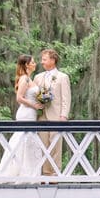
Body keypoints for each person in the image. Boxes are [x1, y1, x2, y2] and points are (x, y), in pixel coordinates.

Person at [0, 55, 44, 181]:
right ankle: (18, 172)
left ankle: (29, 172)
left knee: (30, 142)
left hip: (31, 113)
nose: (35, 63)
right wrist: (34, 105)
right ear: (26, 65)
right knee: (22, 140)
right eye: (32, 62)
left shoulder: (30, 79)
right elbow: (19, 98)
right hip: (26, 113)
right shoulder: (24, 79)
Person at [34, 49, 72, 178]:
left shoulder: (62, 77)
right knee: (43, 146)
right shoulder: (38, 77)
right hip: (41, 115)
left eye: (44, 59)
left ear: (53, 60)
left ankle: (55, 175)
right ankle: (45, 174)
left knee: (55, 146)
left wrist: (64, 116)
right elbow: (34, 95)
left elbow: (66, 98)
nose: (42, 62)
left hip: (56, 116)